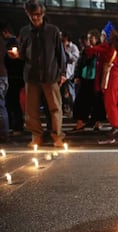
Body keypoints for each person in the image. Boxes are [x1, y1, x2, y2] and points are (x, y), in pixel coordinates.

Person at [10, 0, 66, 148]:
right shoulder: (24, 31)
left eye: (37, 15)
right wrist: (17, 55)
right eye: (31, 15)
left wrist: (63, 72)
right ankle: (36, 136)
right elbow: (23, 53)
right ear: (27, 14)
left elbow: (60, 53)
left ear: (43, 14)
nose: (35, 18)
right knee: (31, 110)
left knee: (55, 107)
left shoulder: (52, 31)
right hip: (31, 75)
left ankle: (57, 136)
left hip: (50, 74)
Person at [86, 21, 118, 144]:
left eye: (102, 35)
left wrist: (89, 46)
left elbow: (90, 51)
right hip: (115, 76)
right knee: (116, 102)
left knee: (110, 102)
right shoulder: (114, 47)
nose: (101, 37)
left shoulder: (107, 47)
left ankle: (115, 126)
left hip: (111, 77)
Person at [71, 29, 105, 132]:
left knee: (97, 102)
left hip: (96, 79)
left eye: (92, 38)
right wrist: (77, 76)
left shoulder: (100, 50)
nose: (89, 40)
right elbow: (79, 64)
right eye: (88, 38)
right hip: (85, 78)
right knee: (81, 101)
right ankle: (80, 123)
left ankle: (97, 123)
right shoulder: (85, 50)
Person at [60, 31, 79, 118]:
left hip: (69, 74)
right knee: (61, 94)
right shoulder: (59, 46)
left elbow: (74, 59)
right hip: (60, 74)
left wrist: (66, 51)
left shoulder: (73, 47)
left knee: (71, 93)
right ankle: (63, 109)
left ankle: (73, 110)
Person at [0, 21, 10, 142]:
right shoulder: (2, 42)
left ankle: (3, 134)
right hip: (3, 76)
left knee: (0, 105)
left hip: (0, 76)